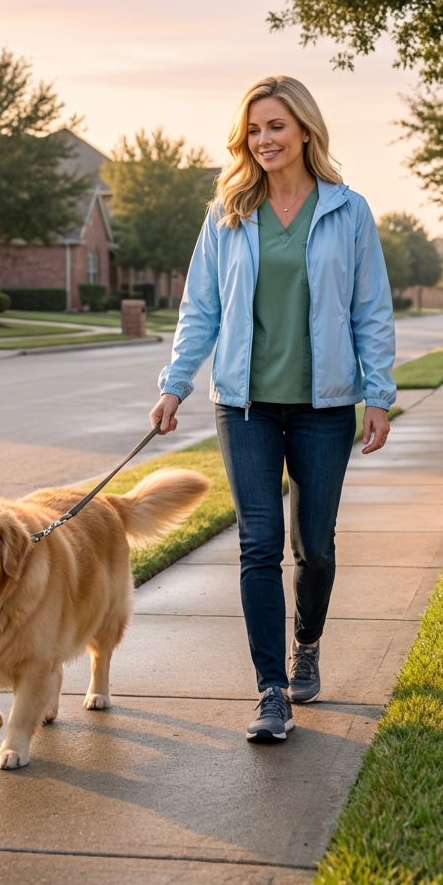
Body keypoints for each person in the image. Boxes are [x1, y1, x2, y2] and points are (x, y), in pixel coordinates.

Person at [151, 76, 396, 744]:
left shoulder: (348, 211)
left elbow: (370, 308)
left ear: (306, 131)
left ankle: (307, 642)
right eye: (254, 129)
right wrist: (174, 385)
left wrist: (379, 394)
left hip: (323, 408)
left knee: (312, 548)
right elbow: (200, 307)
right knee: (258, 546)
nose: (263, 140)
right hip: (246, 407)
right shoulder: (228, 212)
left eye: (276, 127)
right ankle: (271, 691)